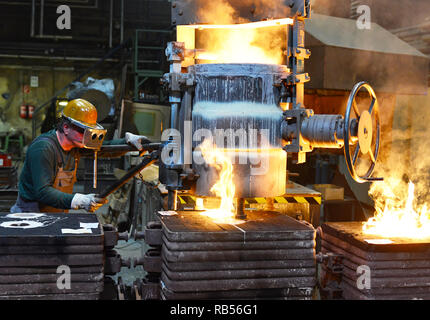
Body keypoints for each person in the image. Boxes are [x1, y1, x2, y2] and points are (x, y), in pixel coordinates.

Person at [10, 98, 149, 213]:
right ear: (66, 127)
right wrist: (79, 200)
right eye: (83, 131)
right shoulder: (43, 148)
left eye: (89, 131)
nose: (87, 137)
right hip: (30, 214)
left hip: (56, 212)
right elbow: (43, 192)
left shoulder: (75, 145)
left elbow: (104, 148)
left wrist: (127, 142)